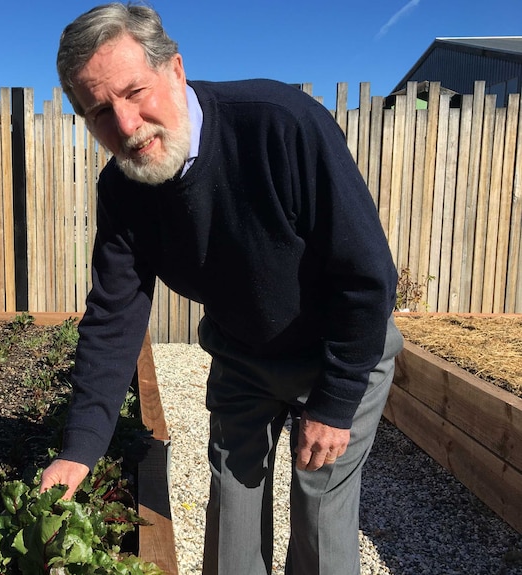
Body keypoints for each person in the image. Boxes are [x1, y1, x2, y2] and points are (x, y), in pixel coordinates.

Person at [40, 4, 403, 574]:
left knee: (318, 508)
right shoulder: (124, 188)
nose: (128, 125)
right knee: (231, 506)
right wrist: (81, 448)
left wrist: (335, 403)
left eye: (136, 91)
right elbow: (115, 313)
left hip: (340, 345)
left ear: (176, 70)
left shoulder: (279, 123)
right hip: (242, 352)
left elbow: (367, 274)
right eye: (100, 111)